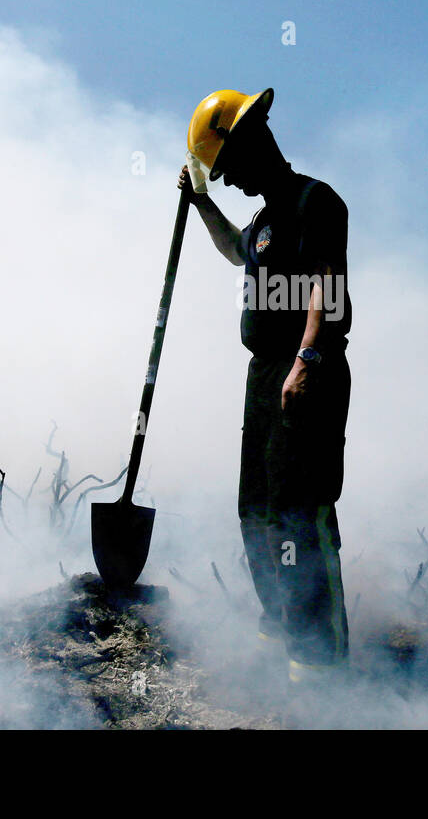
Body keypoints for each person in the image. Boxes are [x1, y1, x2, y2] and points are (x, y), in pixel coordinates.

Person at [179, 88, 352, 681]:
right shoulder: (262, 222)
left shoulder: (314, 202)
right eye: (219, 176)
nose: (230, 183)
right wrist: (201, 201)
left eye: (229, 169)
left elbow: (327, 288)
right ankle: (282, 627)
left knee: (300, 513)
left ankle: (320, 660)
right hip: (264, 375)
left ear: (255, 140)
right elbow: (236, 251)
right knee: (257, 509)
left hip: (306, 369)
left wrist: (307, 360)